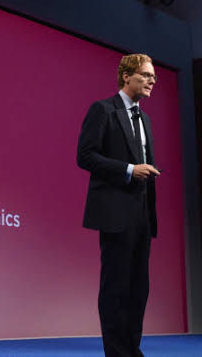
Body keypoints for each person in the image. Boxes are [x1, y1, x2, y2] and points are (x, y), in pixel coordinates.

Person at [77, 53, 160, 357]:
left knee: (138, 288)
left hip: (142, 213)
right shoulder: (103, 110)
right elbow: (85, 156)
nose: (152, 81)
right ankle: (117, 353)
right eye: (146, 75)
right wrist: (129, 170)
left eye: (154, 77)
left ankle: (131, 350)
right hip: (115, 212)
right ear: (127, 76)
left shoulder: (145, 119)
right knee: (116, 287)